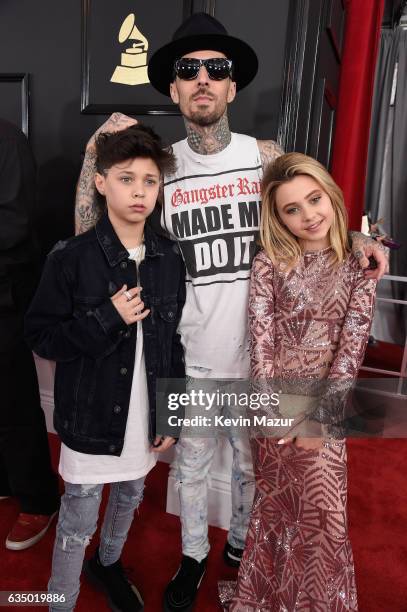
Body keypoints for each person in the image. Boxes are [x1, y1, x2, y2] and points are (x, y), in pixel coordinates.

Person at [74, 13, 387, 611]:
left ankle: (243, 545)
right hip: (191, 349)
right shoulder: (160, 169)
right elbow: (94, 236)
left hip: (266, 353)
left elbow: (305, 204)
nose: (202, 80)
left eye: (216, 70)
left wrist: (362, 238)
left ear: (232, 86)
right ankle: (193, 557)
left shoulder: (264, 154)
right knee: (190, 468)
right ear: (172, 88)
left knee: (254, 464)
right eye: (189, 70)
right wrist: (95, 157)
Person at [25, 124, 186, 612]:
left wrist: (171, 414)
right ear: (100, 183)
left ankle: (109, 562)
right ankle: (60, 602)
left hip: (144, 418)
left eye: (150, 181)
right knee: (76, 522)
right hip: (91, 419)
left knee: (131, 496)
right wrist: (105, 318)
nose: (139, 192)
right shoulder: (70, 258)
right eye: (126, 179)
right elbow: (41, 336)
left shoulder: (168, 257)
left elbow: (173, 341)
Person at [220, 152, 377, 611]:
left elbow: (353, 345)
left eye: (315, 199)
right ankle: (268, 599)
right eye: (293, 208)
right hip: (272, 408)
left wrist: (320, 418)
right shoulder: (270, 261)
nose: (309, 215)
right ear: (279, 217)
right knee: (275, 507)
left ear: (331, 195)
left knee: (325, 517)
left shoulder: (359, 262)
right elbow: (261, 336)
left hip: (322, 408)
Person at [0, 117, 60, 550]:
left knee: (13, 400)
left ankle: (41, 499)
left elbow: (14, 225)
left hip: (4, 293)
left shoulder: (6, 139)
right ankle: (5, 479)